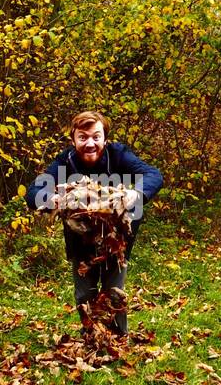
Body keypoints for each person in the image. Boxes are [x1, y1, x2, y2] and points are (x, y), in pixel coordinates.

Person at [26, 111, 164, 336]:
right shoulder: (65, 161)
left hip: (116, 240)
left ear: (105, 139)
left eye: (96, 137)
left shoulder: (118, 155)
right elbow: (33, 191)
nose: (90, 143)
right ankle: (91, 336)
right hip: (81, 240)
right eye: (83, 137)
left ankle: (118, 338)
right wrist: (52, 199)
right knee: (84, 294)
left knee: (114, 291)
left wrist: (135, 194)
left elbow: (153, 175)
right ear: (73, 140)